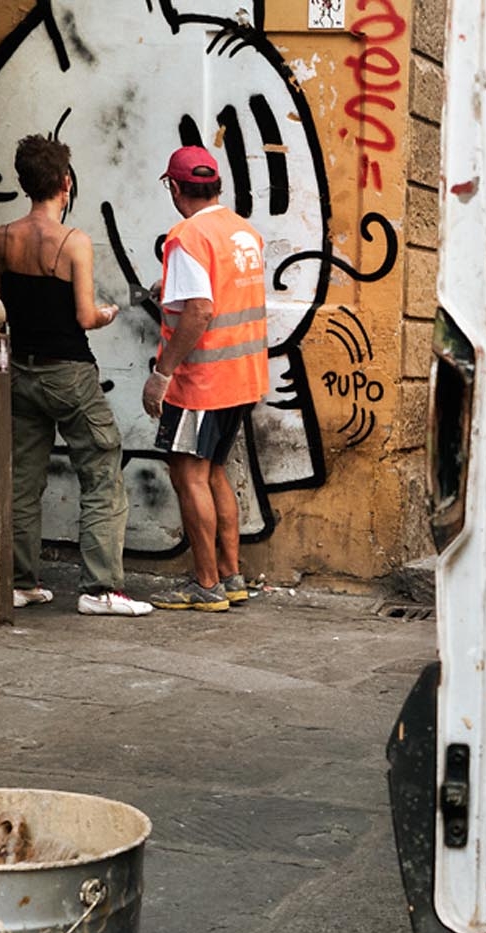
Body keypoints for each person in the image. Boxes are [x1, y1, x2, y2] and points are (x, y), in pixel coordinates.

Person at [0, 135, 152, 617]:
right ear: (65, 183)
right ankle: (101, 589)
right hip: (70, 374)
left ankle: (21, 582)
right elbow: (83, 317)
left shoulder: (1, 239)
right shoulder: (74, 242)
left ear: (24, 183)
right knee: (102, 470)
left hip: (20, 370)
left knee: (23, 480)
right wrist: (106, 314)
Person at [141, 144, 267, 612]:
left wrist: (162, 374)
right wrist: (168, 289)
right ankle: (231, 578)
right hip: (241, 377)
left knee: (188, 475)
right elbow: (221, 294)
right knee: (214, 471)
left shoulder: (187, 236)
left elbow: (200, 311)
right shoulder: (243, 233)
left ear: (175, 188)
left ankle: (206, 584)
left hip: (201, 380)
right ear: (216, 185)